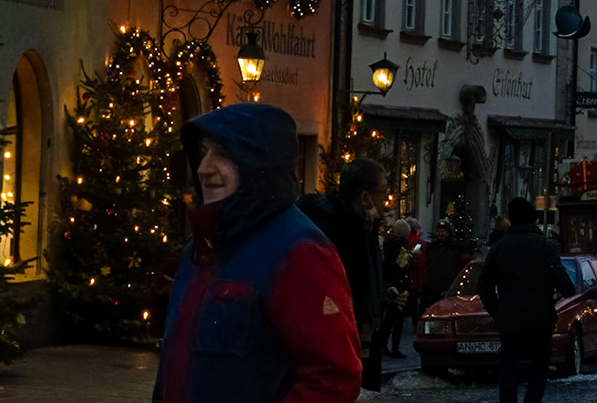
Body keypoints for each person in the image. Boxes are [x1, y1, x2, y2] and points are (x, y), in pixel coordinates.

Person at [153, 104, 360, 403]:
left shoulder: (300, 252)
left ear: (261, 162)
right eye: (204, 151)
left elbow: (333, 378)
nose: (204, 168)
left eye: (223, 153)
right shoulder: (200, 248)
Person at [299, 159, 391, 390]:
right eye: (383, 192)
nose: (387, 200)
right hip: (343, 342)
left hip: (366, 338)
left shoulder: (366, 226)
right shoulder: (335, 231)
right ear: (364, 197)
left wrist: (384, 293)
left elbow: (367, 278)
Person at [478, 197, 574, 403]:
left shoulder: (499, 248)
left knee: (509, 367)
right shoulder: (545, 246)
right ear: (533, 220)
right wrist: (567, 290)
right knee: (540, 366)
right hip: (539, 319)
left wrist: (497, 310)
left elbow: (484, 285)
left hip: (510, 320)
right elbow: (562, 281)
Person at [381, 218, 415, 358]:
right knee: (396, 319)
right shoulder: (400, 247)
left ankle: (384, 346)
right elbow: (402, 266)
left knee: (388, 320)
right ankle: (394, 348)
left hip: (389, 283)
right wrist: (412, 256)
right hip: (398, 286)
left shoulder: (387, 244)